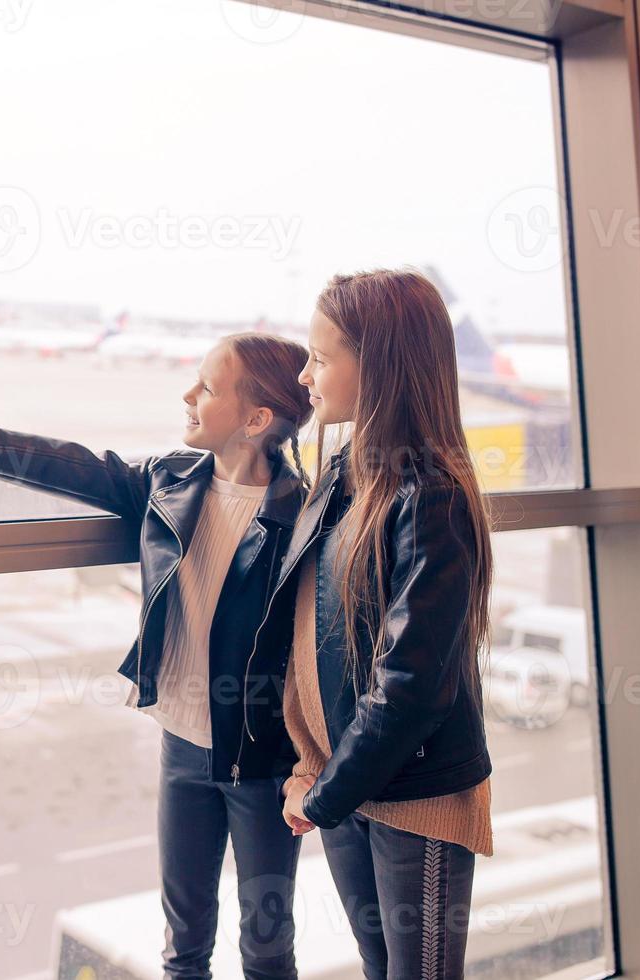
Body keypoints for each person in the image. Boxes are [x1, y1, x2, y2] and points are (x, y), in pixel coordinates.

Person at [0, 331, 312, 979]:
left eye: (206, 385)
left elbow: (327, 652)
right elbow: (54, 460)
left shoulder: (308, 516)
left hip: (261, 759)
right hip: (180, 743)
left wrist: (314, 762)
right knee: (184, 942)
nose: (187, 394)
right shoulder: (168, 482)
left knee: (265, 946)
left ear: (257, 419)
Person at [277, 268, 496, 979]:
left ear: (380, 362)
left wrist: (327, 791)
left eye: (320, 356)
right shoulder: (344, 470)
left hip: (411, 792)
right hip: (347, 780)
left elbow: (412, 684)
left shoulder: (429, 493)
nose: (305, 376)